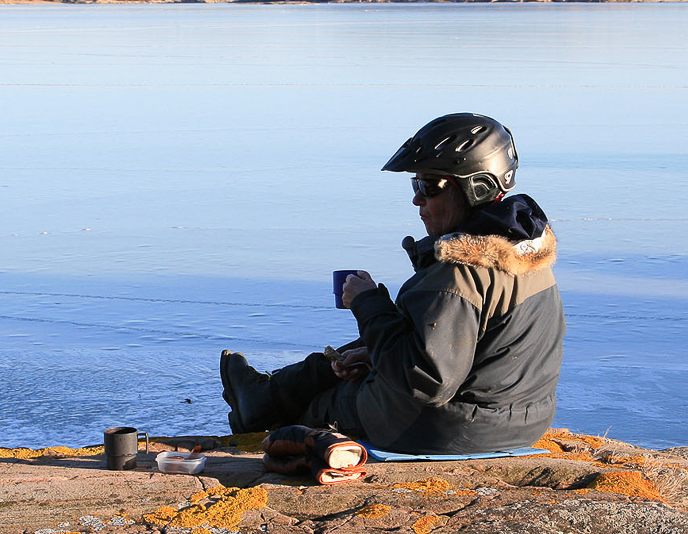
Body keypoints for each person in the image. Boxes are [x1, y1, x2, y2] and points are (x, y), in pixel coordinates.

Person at [221, 112, 564, 455]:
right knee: (356, 356)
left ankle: (260, 409)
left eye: (429, 187)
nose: (417, 200)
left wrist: (367, 302)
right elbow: (472, 352)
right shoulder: (523, 249)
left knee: (326, 405)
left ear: (476, 188)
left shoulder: (459, 273)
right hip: (520, 423)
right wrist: (374, 353)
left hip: (445, 429)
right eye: (416, 186)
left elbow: (427, 380)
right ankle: (262, 396)